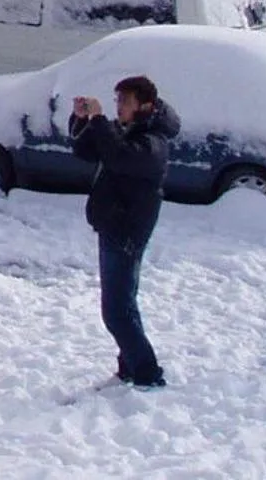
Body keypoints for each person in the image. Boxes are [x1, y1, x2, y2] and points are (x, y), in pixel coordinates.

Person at [69, 74, 182, 389]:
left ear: (144, 105)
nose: (119, 107)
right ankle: (130, 367)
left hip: (127, 229)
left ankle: (147, 373)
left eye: (125, 102)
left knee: (116, 310)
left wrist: (101, 120)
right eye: (117, 101)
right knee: (122, 304)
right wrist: (83, 122)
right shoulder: (130, 130)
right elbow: (88, 152)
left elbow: (119, 157)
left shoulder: (153, 142)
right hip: (113, 224)